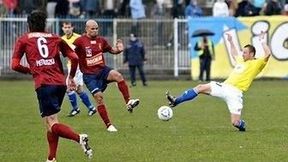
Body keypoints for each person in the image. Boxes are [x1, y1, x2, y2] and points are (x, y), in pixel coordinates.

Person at [11, 10, 93, 162]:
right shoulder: (55, 38)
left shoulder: (23, 40)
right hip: (60, 83)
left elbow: (14, 65)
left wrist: (31, 70)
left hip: (44, 84)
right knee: (51, 122)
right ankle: (51, 158)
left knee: (51, 122)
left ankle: (79, 138)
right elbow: (74, 58)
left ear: (29, 25)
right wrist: (71, 77)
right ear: (45, 24)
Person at [166, 32, 271, 132]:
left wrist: (262, 41)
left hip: (236, 94)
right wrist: (230, 41)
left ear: (252, 54)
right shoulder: (241, 61)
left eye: (245, 52)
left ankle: (241, 124)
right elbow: (234, 52)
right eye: (242, 52)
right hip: (224, 87)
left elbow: (268, 54)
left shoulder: (257, 63)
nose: (242, 54)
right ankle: (176, 100)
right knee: (200, 87)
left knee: (235, 122)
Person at [73, 19, 140, 132]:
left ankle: (128, 101)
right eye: (92, 28)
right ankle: (109, 125)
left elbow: (111, 50)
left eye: (96, 28)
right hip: (89, 76)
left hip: (102, 70)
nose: (95, 30)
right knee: (99, 98)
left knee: (118, 76)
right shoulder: (80, 41)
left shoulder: (101, 41)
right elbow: (70, 52)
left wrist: (118, 50)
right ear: (86, 29)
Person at [61, 21, 96, 117]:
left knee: (69, 88)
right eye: (65, 27)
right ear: (62, 28)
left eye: (69, 27)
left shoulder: (78, 38)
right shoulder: (62, 39)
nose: (67, 29)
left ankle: (76, 109)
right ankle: (91, 108)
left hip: (77, 66)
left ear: (72, 28)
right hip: (70, 66)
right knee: (79, 89)